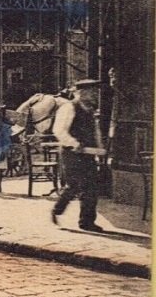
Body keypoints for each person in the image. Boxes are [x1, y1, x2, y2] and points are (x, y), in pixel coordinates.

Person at [51, 79, 106, 232]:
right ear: (81, 93)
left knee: (91, 188)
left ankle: (87, 222)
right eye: (92, 92)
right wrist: (75, 143)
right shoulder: (69, 108)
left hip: (88, 153)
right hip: (71, 153)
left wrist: (99, 148)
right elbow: (59, 130)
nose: (95, 95)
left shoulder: (90, 110)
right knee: (74, 185)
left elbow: (95, 133)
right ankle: (57, 209)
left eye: (95, 92)